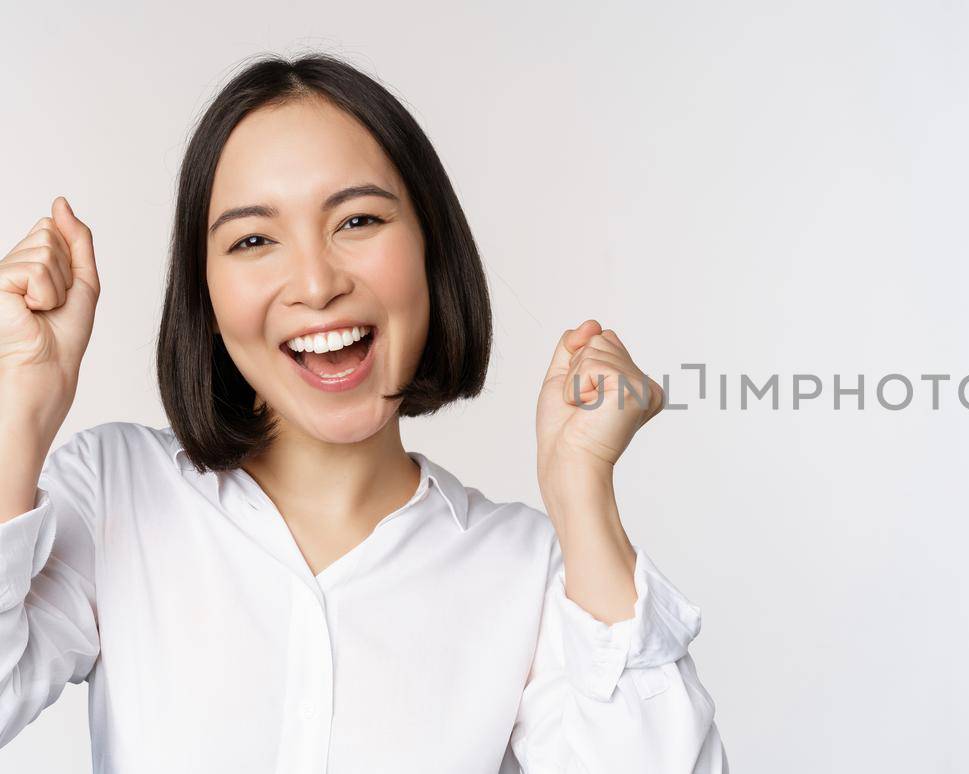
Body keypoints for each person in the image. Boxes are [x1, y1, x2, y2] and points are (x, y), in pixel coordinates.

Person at [0, 54, 726, 773]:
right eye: (253, 240)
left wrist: (583, 493)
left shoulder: (528, 573)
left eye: (357, 220)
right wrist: (17, 411)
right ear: (208, 298)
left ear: (430, 251)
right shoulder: (114, 493)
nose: (316, 284)